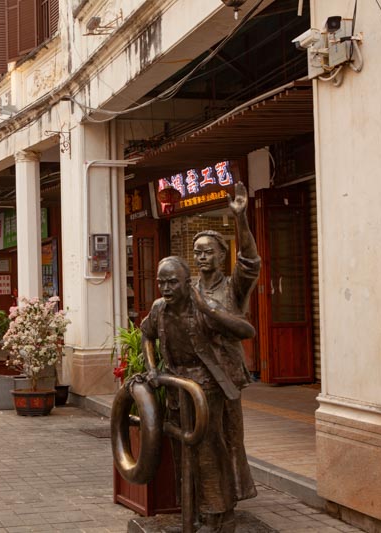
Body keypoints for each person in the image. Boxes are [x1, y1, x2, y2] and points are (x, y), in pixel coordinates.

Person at [140, 183, 259, 532]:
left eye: (209, 251)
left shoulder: (231, 287)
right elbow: (150, 332)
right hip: (184, 382)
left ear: (222, 255)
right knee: (191, 446)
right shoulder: (179, 291)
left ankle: (221, 511)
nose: (203, 257)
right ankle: (197, 509)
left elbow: (250, 263)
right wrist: (154, 369)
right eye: (198, 252)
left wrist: (240, 219)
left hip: (220, 379)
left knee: (222, 446)